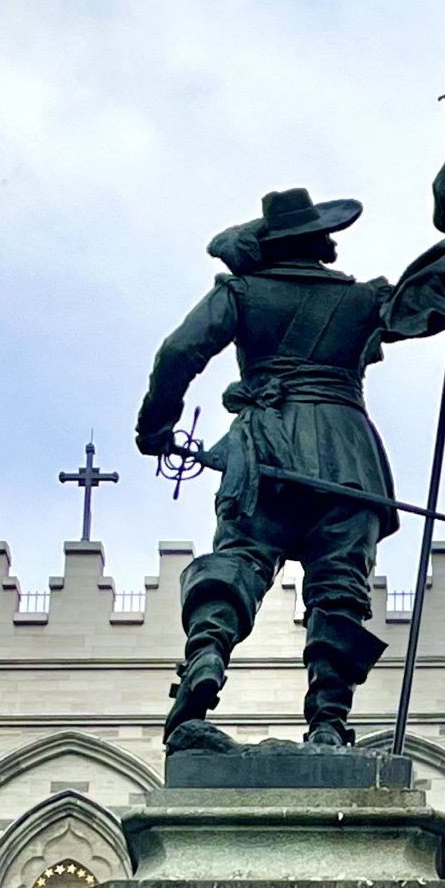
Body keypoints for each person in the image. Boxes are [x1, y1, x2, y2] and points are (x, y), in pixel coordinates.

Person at [136, 187, 397, 750]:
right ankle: (328, 722)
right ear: (321, 241)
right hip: (348, 458)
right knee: (339, 590)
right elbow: (437, 304)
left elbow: (177, 353)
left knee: (241, 560)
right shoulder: (366, 300)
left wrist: (155, 428)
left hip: (266, 452)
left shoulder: (241, 293)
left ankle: (207, 653)